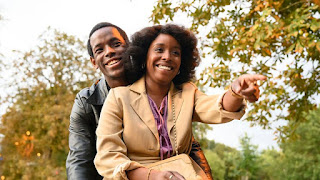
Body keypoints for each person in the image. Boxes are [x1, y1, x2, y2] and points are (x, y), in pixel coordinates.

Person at [94, 24, 266, 179]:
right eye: (159, 50)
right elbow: (108, 156)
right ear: (144, 57)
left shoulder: (188, 92)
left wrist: (235, 92)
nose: (167, 57)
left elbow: (215, 108)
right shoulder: (118, 97)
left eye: (175, 52)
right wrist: (153, 176)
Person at [66, 22, 213, 180]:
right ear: (94, 61)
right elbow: (80, 159)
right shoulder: (85, 103)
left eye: (116, 44)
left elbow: (185, 142)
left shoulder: (157, 83)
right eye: (100, 50)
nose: (109, 52)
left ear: (130, 47)